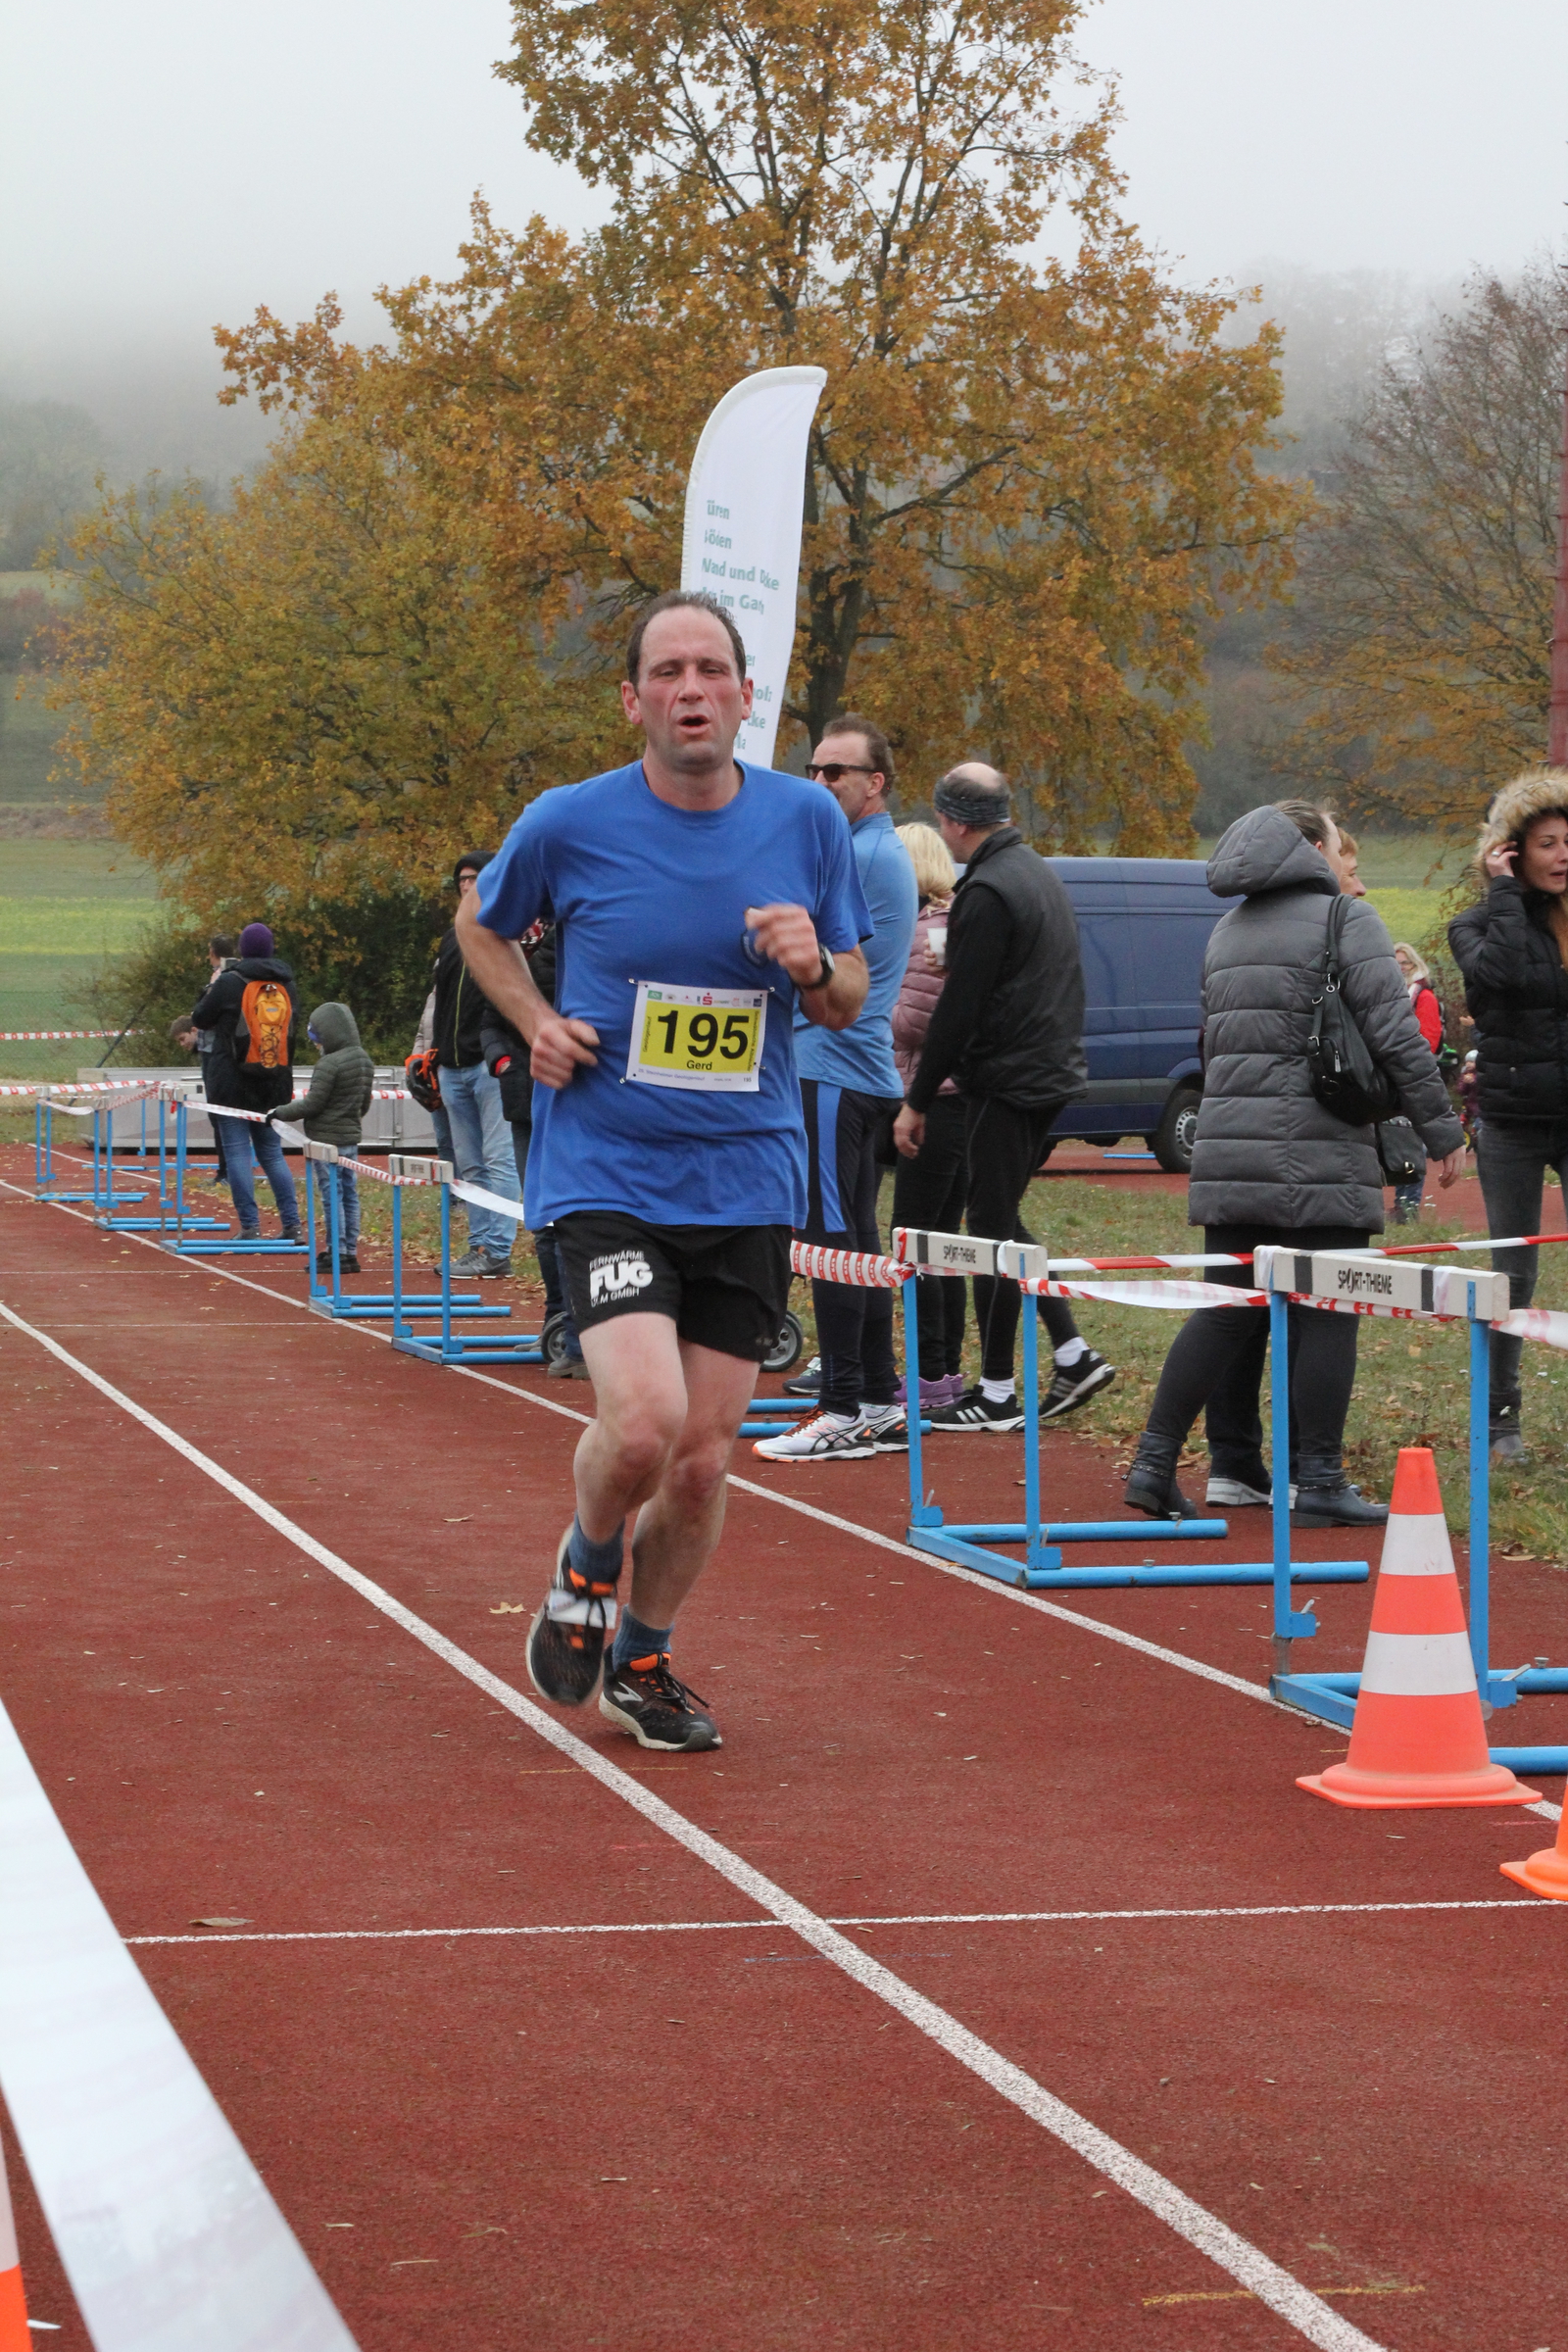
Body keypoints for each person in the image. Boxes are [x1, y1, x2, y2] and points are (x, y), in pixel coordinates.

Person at [454, 589, 870, 1752]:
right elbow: (481, 924)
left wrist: (811, 964)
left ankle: (641, 1661)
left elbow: (848, 996)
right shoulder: (569, 820)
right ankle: (587, 1562)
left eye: (712, 670)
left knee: (697, 1464)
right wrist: (535, 1020)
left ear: (744, 694)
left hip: (747, 1177)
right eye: (669, 673)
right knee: (641, 1428)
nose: (692, 690)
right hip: (607, 1167)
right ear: (633, 700)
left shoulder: (807, 820)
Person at [1124, 801, 1465, 1528]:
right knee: (1329, 1312)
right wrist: (1443, 1131)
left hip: (1228, 1150)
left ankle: (1154, 1462)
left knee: (1224, 1312)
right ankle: (1321, 1480)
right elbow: (1396, 1035)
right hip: (1321, 1150)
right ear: (1311, 850)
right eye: (1339, 847)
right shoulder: (1347, 920)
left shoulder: (1226, 930)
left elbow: (1214, 1044)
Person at [893, 764, 1113, 1431]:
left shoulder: (988, 890)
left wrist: (917, 1099)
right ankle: (1069, 1353)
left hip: (1008, 1077)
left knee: (990, 1232)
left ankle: (997, 1391)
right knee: (1000, 1220)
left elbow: (958, 1009)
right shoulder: (1035, 872)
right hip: (1047, 1070)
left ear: (951, 821)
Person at [754, 714, 916, 1461]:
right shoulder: (872, 847)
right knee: (854, 1239)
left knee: (825, 1238)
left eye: (835, 772)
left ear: (874, 783)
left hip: (832, 1067)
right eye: (813, 770)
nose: (819, 782)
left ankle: (843, 1403)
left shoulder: (862, 852)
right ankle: (877, 1397)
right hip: (852, 1069)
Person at [1448, 767, 1568, 1465]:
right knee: (1512, 1275)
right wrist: (1504, 897)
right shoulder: (1475, 924)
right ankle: (1500, 1420)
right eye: (1548, 843)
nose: (1563, 855)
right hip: (1512, 1119)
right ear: (1512, 851)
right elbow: (1498, 978)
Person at [480, 925, 588, 1379]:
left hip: (575, 1106)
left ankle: (581, 1337)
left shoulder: (583, 957)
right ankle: (557, 1323)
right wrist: (501, 1061)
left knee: (573, 1223)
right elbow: (489, 1020)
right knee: (543, 1221)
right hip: (525, 1101)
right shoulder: (523, 962)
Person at [887, 820, 966, 1408]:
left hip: (932, 1099)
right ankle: (944, 1370)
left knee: (914, 1237)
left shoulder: (926, 930)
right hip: (951, 1097)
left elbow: (915, 1021)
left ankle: (932, 1370)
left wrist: (867, 1005)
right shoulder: (949, 924)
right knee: (940, 1242)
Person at [431, 854, 522, 1278]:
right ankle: (478, 1245)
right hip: (451, 1066)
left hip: (489, 1065)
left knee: (499, 1159)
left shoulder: (506, 931)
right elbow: (437, 1004)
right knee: (469, 1165)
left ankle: (498, 1248)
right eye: (462, 879)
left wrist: (500, 1055)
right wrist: (430, 1053)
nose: (467, 885)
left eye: (475, 878)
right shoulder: (452, 938)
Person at [188, 920, 302, 1243]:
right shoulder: (288, 984)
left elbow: (199, 1018)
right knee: (272, 1153)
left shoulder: (230, 982)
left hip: (231, 1082)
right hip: (274, 1081)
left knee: (237, 1153)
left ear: (242, 950)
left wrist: (212, 991)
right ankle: (292, 1225)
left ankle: (250, 1226)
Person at [297, 1002, 374, 1274]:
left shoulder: (328, 1064)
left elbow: (312, 1104)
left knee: (332, 1196)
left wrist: (279, 1112)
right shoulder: (364, 1059)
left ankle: (336, 1251)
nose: (317, 1046)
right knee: (349, 1194)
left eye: (317, 1040)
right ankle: (350, 1251)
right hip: (350, 1137)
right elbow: (364, 1103)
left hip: (326, 1140)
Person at [1387, 943, 1445, 1222]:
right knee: (1399, 1140)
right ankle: (1402, 1204)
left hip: (1416, 1078)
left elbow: (1429, 1040)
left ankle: (1408, 1206)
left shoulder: (1424, 996)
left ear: (1414, 964)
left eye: (1404, 963)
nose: (1400, 968)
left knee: (1411, 1142)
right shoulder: (1391, 996)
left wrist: (1411, 1071)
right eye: (1395, 963)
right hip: (1394, 1076)